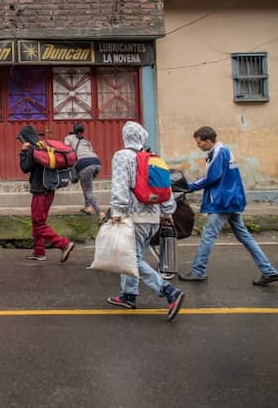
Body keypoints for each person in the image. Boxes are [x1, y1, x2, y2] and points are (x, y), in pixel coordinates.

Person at [105, 121, 185, 321]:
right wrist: (167, 214)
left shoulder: (122, 156)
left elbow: (120, 186)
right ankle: (128, 295)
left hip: (133, 217)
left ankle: (168, 292)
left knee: (131, 258)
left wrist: (117, 211)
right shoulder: (154, 158)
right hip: (153, 218)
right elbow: (167, 189)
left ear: (125, 137)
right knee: (133, 254)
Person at [179, 126, 278, 286]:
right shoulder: (224, 151)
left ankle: (198, 271)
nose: (198, 146)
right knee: (244, 236)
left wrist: (188, 187)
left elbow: (212, 177)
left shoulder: (218, 153)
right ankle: (269, 271)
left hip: (223, 201)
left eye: (199, 143)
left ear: (208, 141)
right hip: (231, 199)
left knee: (208, 235)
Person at [18, 125, 75, 263]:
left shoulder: (33, 149)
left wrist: (23, 152)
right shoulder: (43, 147)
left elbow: (25, 168)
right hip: (49, 189)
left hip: (40, 191)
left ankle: (64, 244)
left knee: (38, 223)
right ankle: (39, 252)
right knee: (37, 221)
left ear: (25, 139)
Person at [64, 123, 102, 216]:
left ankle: (100, 213)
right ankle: (88, 207)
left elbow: (66, 150)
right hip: (97, 162)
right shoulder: (86, 141)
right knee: (87, 185)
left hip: (84, 164)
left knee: (88, 189)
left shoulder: (68, 138)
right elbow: (92, 152)